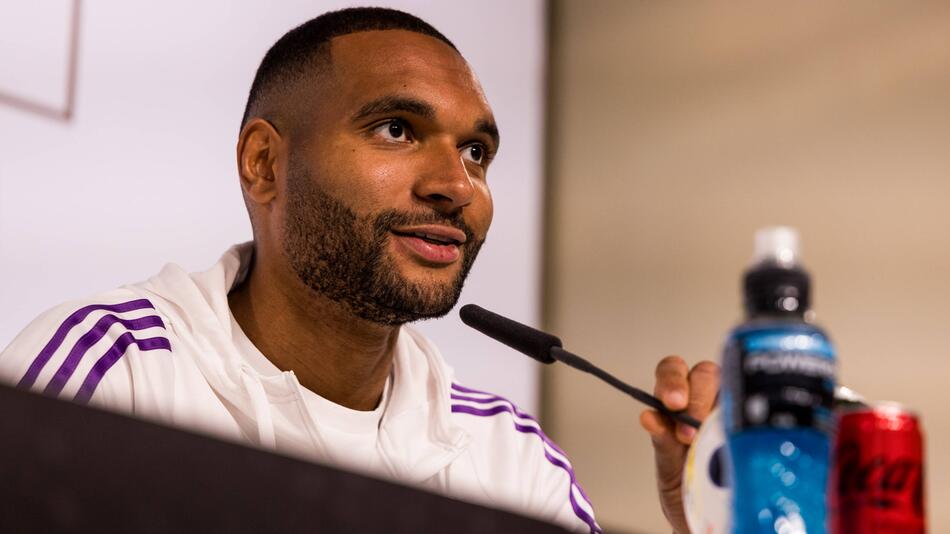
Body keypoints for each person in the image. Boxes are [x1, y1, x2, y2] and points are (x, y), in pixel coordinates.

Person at [0, 7, 718, 534]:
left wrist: (709, 515)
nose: (456, 185)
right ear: (265, 163)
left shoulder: (513, 460)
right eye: (397, 130)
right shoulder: (113, 373)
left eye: (476, 152)